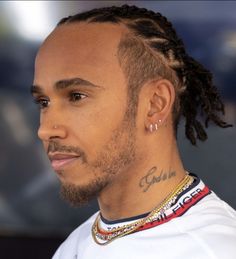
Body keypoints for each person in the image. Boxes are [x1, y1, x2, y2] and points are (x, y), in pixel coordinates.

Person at [31, 4, 236, 259]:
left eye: (76, 96)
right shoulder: (75, 245)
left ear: (154, 104)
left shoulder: (214, 250)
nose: (46, 129)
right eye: (43, 102)